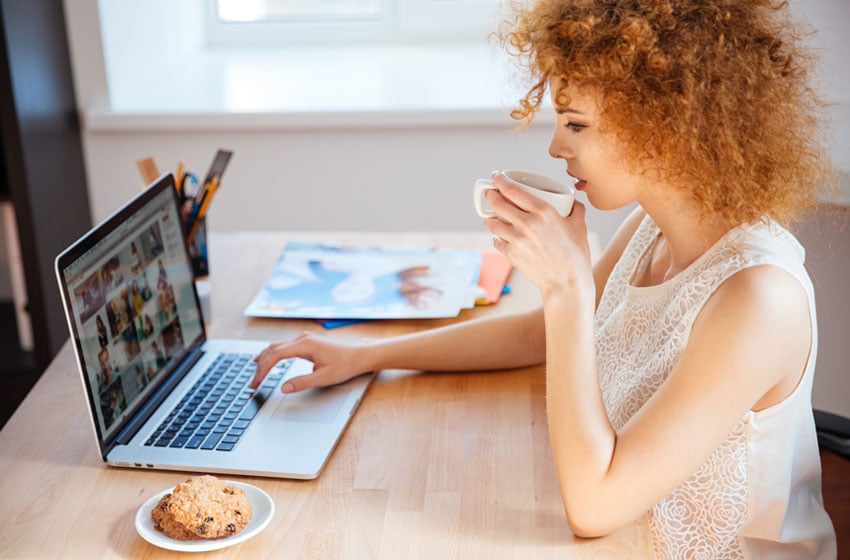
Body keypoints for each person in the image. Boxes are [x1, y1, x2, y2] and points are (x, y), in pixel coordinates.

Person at [251, 0, 837, 556]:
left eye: (576, 124)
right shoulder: (650, 229)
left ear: (667, 123)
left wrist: (566, 288)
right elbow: (536, 337)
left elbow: (594, 507)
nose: (557, 146)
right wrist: (365, 355)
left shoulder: (759, 299)